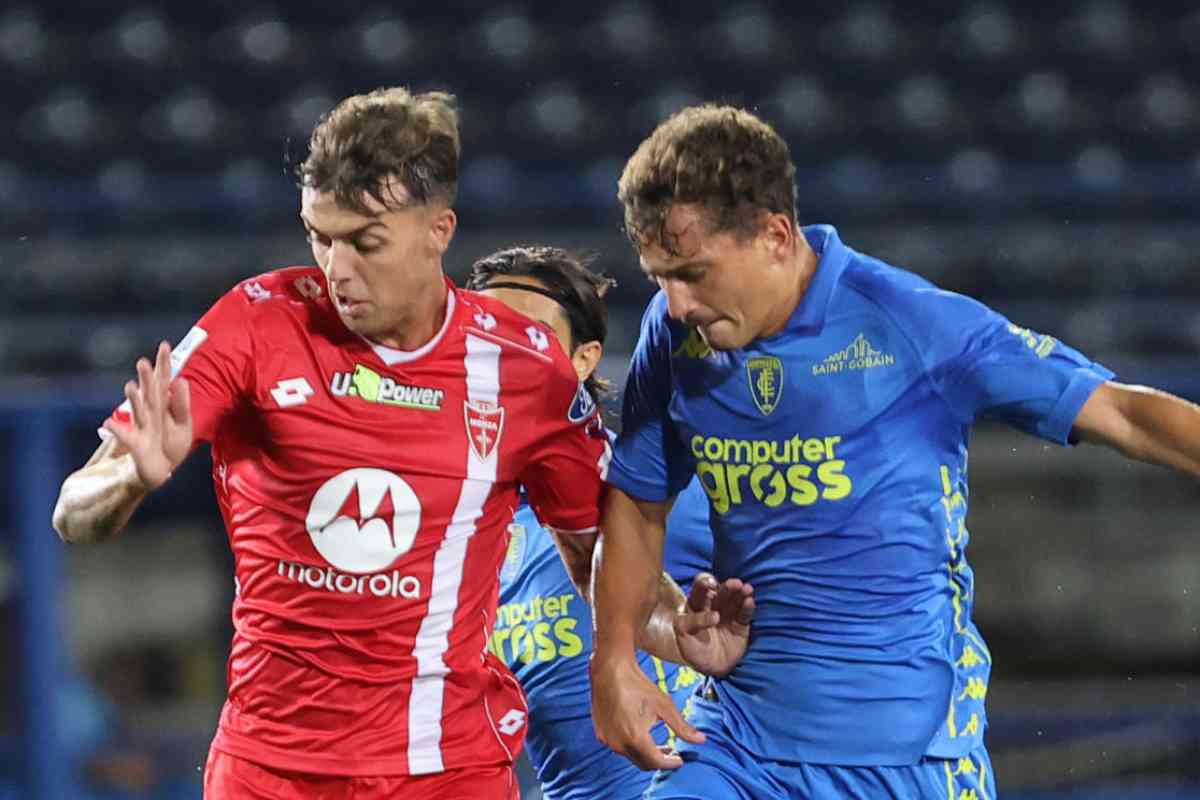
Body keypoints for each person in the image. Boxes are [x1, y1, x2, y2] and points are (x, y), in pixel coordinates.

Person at [589, 103, 1200, 800]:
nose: (674, 303)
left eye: (693, 273)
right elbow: (637, 502)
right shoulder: (674, 342)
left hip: (908, 756)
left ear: (775, 236)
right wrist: (614, 658)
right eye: (658, 276)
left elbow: (1124, 414)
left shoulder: (909, 323)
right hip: (739, 743)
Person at [51, 87, 615, 800]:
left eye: (364, 241)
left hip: (444, 770)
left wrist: (661, 635)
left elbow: (596, 554)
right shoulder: (254, 324)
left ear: (438, 230)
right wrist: (131, 478)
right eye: (319, 235)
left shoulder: (523, 364)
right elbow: (72, 513)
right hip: (269, 770)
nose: (336, 267)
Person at [466, 245, 714, 800]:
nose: (502, 357)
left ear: (584, 358)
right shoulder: (456, 521)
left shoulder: (658, 493)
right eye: (483, 338)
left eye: (529, 336)